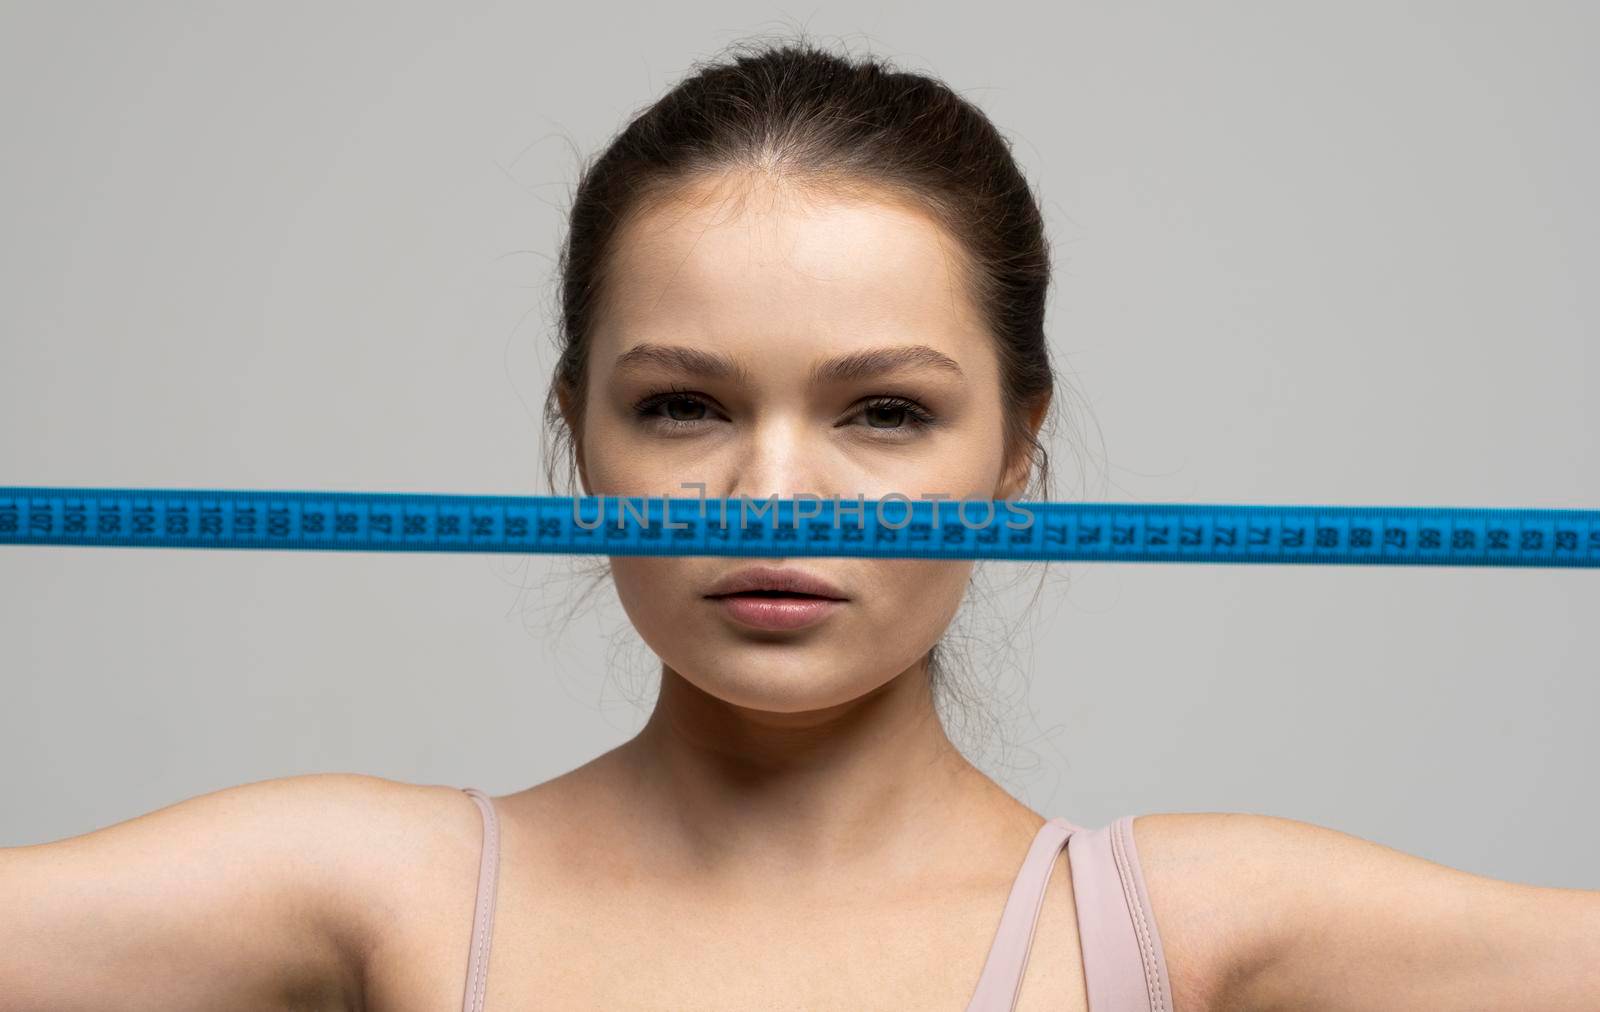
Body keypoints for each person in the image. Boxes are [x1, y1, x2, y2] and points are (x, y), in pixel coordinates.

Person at [3, 37, 1597, 1012]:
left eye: (884, 412)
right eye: (683, 406)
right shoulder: (380, 887)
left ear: (1016, 450)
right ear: (577, 436)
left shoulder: (1186, 926)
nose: (774, 490)